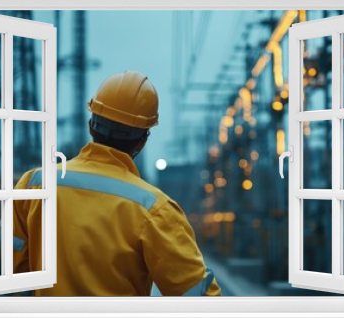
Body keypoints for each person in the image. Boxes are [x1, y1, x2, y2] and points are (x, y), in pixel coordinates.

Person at [13, 71, 221, 296]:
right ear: (142, 141)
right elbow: (201, 301)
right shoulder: (155, 210)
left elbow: (16, 274)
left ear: (91, 125)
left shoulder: (34, 185)